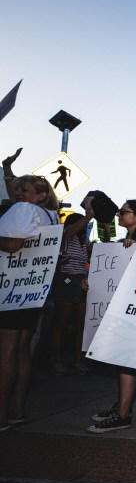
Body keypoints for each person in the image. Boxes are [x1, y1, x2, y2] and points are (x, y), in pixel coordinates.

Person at [0, 174, 60, 432]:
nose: (19, 193)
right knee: (23, 350)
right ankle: (16, 410)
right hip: (32, 292)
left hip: (10, 290)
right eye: (17, 189)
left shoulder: (23, 210)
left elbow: (13, 245)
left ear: (41, 195)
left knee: (6, 352)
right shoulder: (51, 216)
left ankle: (1, 415)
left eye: (24, 189)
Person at [87, 199, 136, 433]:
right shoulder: (121, 245)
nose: (119, 215)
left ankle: (124, 414)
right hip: (121, 307)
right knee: (120, 360)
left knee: (126, 360)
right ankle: (122, 406)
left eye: (124, 212)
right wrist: (92, 280)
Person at [49, 209, 92, 376]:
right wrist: (88, 214)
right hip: (66, 279)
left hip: (81, 280)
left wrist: (107, 231)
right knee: (62, 322)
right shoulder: (66, 235)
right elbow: (70, 230)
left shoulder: (83, 241)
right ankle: (57, 361)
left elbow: (97, 248)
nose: (84, 226)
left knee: (81, 325)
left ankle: (77, 361)